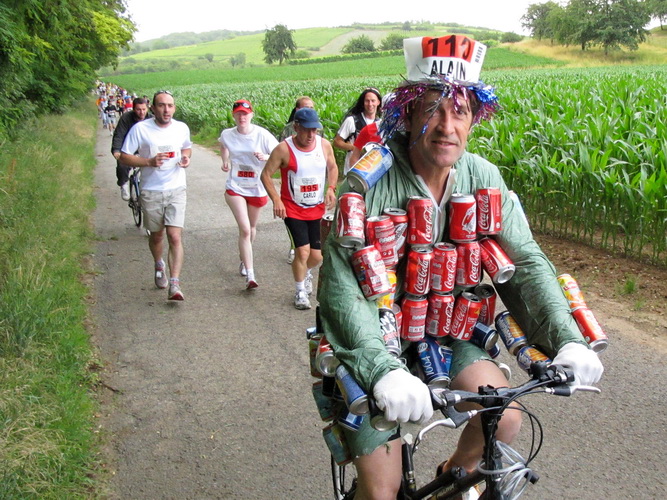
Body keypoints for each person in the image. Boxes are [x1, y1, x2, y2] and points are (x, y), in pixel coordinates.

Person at [318, 35, 604, 499]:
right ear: (408, 113)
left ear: (474, 119)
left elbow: (525, 261)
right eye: (432, 109)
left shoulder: (483, 176)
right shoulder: (367, 182)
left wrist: (567, 339)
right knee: (382, 491)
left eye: (460, 111)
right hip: (373, 340)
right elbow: (342, 288)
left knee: (505, 418)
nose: (446, 126)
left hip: (448, 333)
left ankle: (452, 477)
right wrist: (383, 370)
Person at [261, 108, 338, 310]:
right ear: (296, 127)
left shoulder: (324, 145)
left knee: (317, 256)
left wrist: (331, 188)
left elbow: (332, 166)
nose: (311, 135)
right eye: (306, 130)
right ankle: (300, 291)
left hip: (317, 209)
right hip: (292, 209)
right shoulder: (283, 149)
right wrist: (276, 200)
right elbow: (266, 175)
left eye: (315, 130)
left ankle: (306, 272)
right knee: (302, 252)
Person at [119, 90, 193, 301]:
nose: (166, 110)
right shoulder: (140, 129)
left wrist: (185, 158)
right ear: (153, 108)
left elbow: (187, 148)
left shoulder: (181, 128)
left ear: (174, 108)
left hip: (177, 188)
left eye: (169, 106)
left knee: (175, 236)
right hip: (151, 190)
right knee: (157, 235)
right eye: (161, 105)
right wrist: (148, 162)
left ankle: (175, 284)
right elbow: (124, 156)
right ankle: (159, 264)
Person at [219, 99, 279, 289]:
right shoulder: (227, 134)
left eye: (245, 114)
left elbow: (279, 154)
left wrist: (266, 157)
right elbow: (223, 145)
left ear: (251, 115)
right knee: (245, 229)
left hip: (257, 187)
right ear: (233, 116)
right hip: (235, 187)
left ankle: (244, 258)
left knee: (252, 229)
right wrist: (225, 160)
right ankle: (251, 275)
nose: (242, 117)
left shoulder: (262, 135)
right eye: (238, 114)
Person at [279, 96, 317, 265]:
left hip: (314, 193)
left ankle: (304, 259)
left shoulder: (318, 131)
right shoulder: (288, 131)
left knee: (315, 253)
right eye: (304, 108)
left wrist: (330, 187)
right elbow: (280, 156)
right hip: (293, 190)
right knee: (302, 248)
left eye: (311, 107)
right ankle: (295, 248)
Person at [332, 87, 382, 175]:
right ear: (363, 102)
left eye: (373, 101)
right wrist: (354, 148)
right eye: (367, 101)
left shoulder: (380, 123)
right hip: (352, 168)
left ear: (378, 102)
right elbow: (337, 142)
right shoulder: (351, 121)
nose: (370, 104)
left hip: (372, 171)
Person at [111, 97, 152, 201]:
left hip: (144, 147)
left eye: (144, 109)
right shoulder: (126, 118)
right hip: (129, 147)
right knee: (122, 163)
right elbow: (119, 135)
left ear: (147, 108)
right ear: (133, 109)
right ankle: (123, 184)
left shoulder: (152, 119)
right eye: (138, 109)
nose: (141, 112)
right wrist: (116, 150)